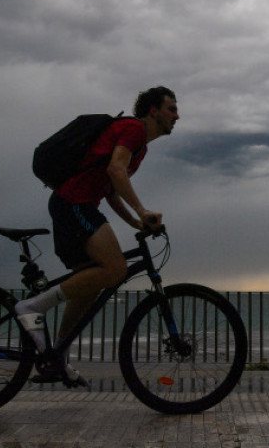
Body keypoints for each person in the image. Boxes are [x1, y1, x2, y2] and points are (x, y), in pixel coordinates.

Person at [15, 86, 179, 386]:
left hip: (76, 205)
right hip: (74, 203)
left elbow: (111, 190)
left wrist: (136, 222)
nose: (177, 115)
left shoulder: (140, 148)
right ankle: (32, 307)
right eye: (171, 108)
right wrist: (142, 211)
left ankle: (56, 357)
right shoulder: (133, 129)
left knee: (91, 283)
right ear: (153, 110)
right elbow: (116, 170)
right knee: (115, 270)